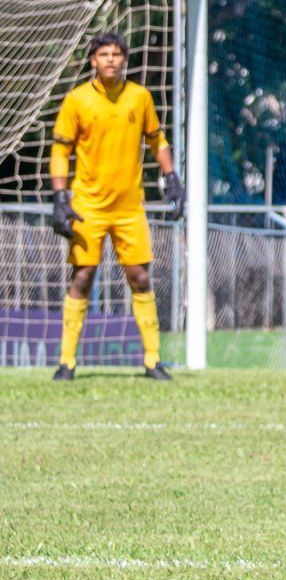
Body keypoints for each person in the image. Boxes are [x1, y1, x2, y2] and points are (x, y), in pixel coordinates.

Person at [49, 32, 183, 381]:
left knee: (139, 277)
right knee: (82, 276)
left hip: (129, 207)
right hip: (88, 206)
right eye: (103, 54)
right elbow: (61, 150)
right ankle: (66, 362)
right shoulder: (77, 100)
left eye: (116, 54)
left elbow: (157, 140)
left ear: (125, 59)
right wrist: (60, 197)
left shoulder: (140, 98)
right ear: (93, 60)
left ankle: (153, 360)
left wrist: (171, 177)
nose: (110, 59)